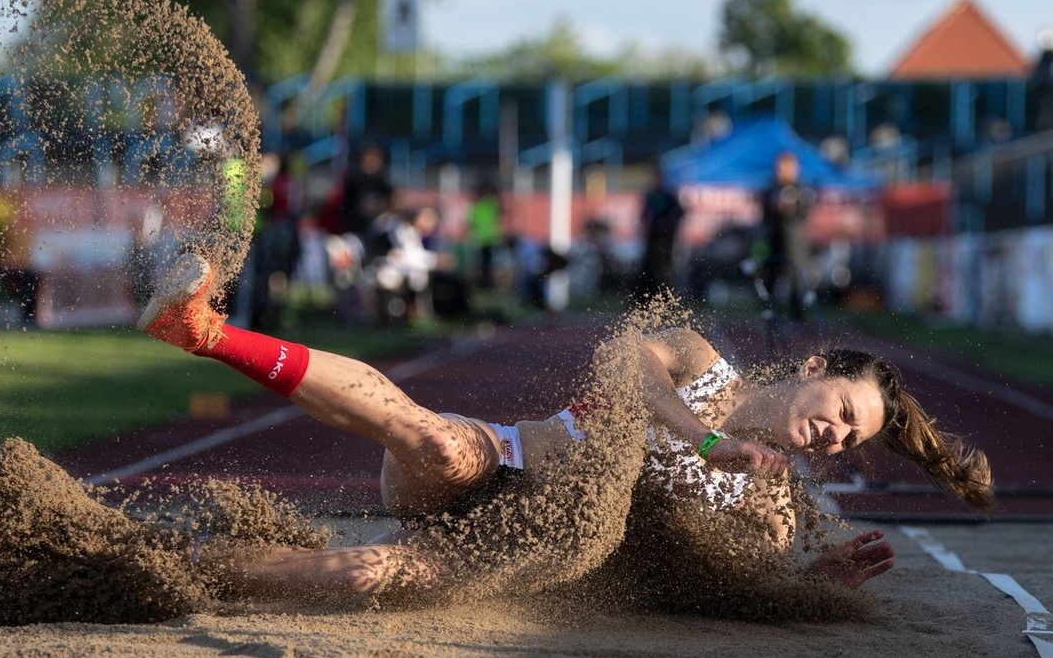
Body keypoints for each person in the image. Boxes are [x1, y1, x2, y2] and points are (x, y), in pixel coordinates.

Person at [138, 252, 994, 601]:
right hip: (496, 462)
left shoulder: (771, 502)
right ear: (813, 371)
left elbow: (741, 586)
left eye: (851, 440)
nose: (834, 437)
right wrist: (702, 440)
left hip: (516, 545)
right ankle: (206, 331)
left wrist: (813, 581)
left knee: (369, 575)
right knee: (434, 439)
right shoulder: (699, 358)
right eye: (842, 413)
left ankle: (192, 569)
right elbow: (625, 359)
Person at [760, 151, 817, 321]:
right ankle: (771, 315)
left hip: (794, 242)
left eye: (785, 167)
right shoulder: (771, 188)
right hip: (774, 239)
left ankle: (798, 316)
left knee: (796, 279)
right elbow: (764, 213)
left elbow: (804, 214)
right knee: (770, 277)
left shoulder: (801, 188)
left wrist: (791, 209)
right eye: (779, 167)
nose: (781, 171)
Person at [638, 168, 683, 295]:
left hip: (665, 238)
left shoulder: (668, 197)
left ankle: (665, 296)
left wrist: (667, 226)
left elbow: (678, 214)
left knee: (664, 268)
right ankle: (649, 295)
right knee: (650, 266)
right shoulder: (651, 196)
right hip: (653, 237)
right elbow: (644, 215)